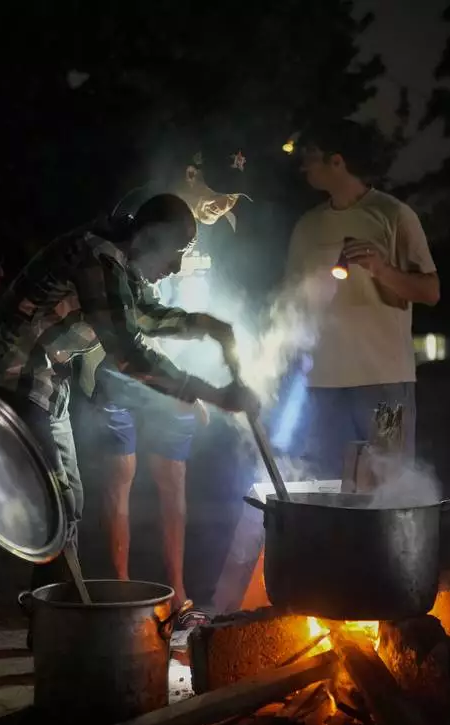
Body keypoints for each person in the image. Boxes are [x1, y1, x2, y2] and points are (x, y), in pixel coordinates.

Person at [0, 193, 260, 602]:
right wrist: (212, 394)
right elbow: (129, 351)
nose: (177, 265)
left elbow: (145, 315)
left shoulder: (119, 264)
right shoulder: (97, 258)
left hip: (47, 384)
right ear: (148, 236)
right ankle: (58, 618)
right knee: (56, 502)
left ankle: (52, 617)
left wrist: (208, 326)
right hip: (17, 379)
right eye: (176, 251)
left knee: (68, 503)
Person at [82, 144, 251, 625]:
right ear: (193, 175)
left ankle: (176, 597)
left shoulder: (222, 236)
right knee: (119, 479)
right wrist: (200, 390)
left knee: (172, 480)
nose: (226, 206)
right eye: (221, 194)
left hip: (171, 370)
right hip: (121, 366)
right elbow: (129, 326)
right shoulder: (138, 216)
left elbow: (179, 311)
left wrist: (207, 345)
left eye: (235, 198)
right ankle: (120, 599)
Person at [286, 119, 441, 476]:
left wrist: (381, 269)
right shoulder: (307, 226)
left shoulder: (393, 215)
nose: (303, 165)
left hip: (385, 383)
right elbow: (290, 302)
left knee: (387, 482)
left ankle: (391, 535)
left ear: (337, 161)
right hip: (325, 385)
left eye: (311, 156)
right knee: (331, 485)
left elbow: (430, 291)